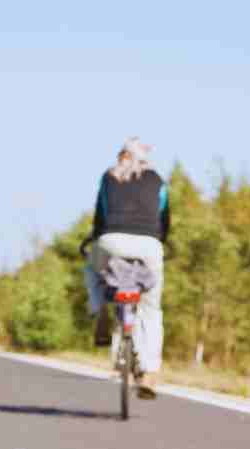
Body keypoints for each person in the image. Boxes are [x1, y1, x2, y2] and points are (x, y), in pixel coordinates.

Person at [84, 137, 170, 399]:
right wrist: (159, 240)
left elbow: (100, 214)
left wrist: (98, 237)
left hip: (111, 241)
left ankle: (99, 309)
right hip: (149, 245)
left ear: (121, 156)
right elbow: (164, 217)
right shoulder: (157, 180)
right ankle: (150, 372)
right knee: (151, 308)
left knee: (92, 270)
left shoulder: (108, 177)